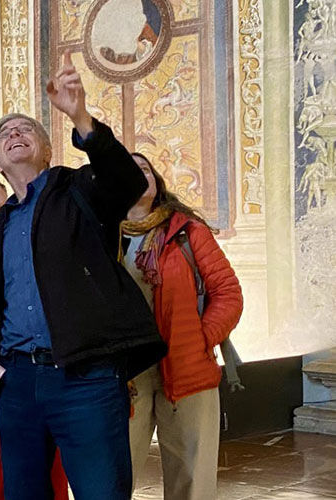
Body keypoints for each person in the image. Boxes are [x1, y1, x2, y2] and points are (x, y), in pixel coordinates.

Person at [0, 56, 165, 500]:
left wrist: (80, 116)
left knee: (102, 492)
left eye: (25, 131)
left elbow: (127, 181)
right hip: (18, 382)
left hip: (85, 377)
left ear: (48, 150)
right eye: (5, 135)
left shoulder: (78, 190)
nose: (14, 134)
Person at [123, 153, 243, 500]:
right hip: (127, 376)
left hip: (187, 366)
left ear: (156, 182)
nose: (137, 175)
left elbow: (227, 293)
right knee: (113, 477)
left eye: (144, 169)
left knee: (191, 481)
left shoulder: (187, 231)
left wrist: (201, 338)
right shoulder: (99, 237)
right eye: (127, 170)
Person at [0, 169, 70, 500]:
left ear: (3, 187)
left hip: (47, 357)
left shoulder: (36, 229)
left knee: (54, 458)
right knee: (5, 456)